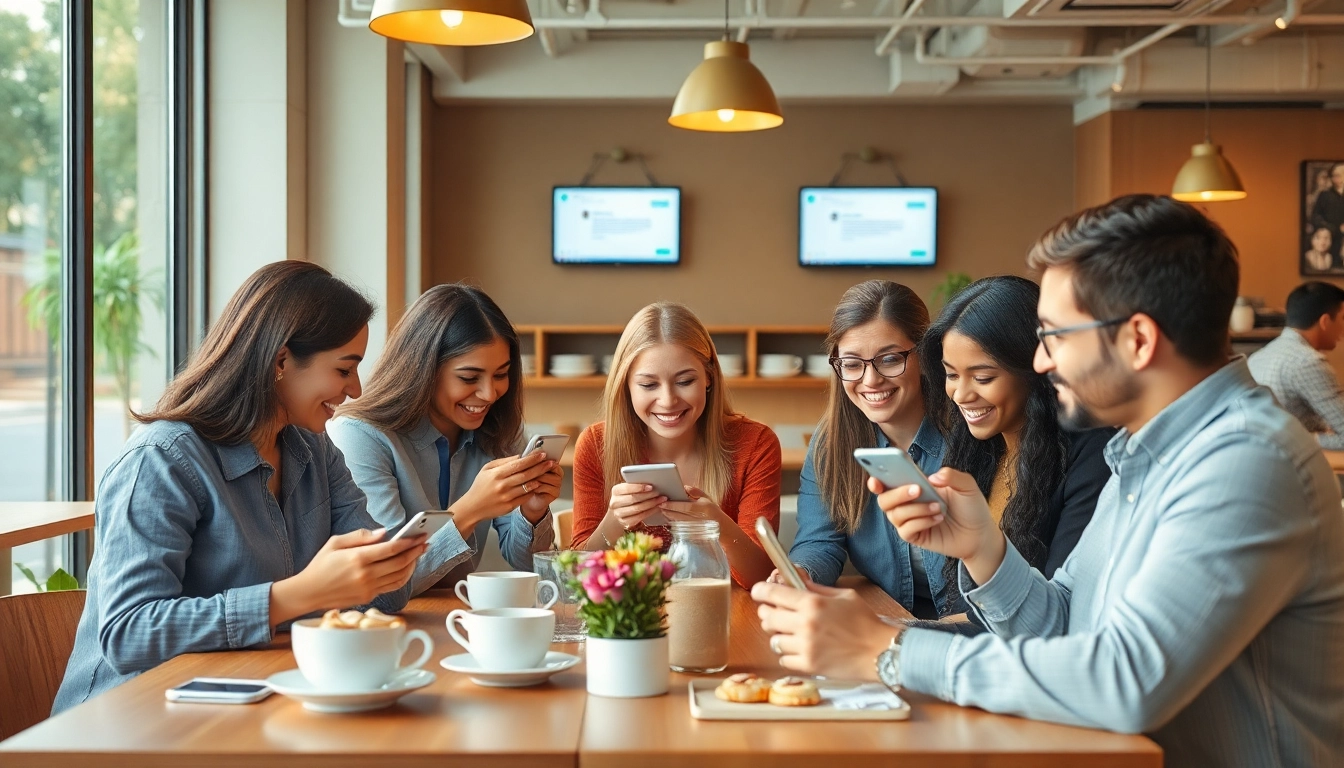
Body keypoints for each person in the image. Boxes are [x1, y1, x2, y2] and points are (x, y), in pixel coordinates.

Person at [754, 194, 1344, 768]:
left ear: (1137, 340)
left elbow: (1124, 680)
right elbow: (1064, 621)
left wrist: (889, 650)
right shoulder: (1145, 451)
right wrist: (985, 548)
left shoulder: (1243, 458)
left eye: (1055, 336)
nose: (1039, 363)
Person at [53, 262, 468, 713]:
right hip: (124, 722)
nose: (356, 389)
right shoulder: (161, 460)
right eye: (344, 369)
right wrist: (299, 594)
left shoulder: (313, 449)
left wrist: (388, 562)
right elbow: (129, 633)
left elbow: (385, 598)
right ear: (281, 360)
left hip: (241, 701)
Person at [329, 284, 560, 595]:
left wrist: (532, 512)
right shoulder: (359, 436)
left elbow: (530, 569)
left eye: (501, 374)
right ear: (422, 369)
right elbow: (384, 583)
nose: (489, 394)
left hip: (457, 614)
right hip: (383, 628)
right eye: (469, 378)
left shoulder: (501, 432)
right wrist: (471, 510)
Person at [921, 275, 1112, 612]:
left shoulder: (1091, 454)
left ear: (1035, 369)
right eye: (951, 375)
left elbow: (1059, 609)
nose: (962, 395)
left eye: (983, 378)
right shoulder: (976, 446)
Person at [571, 302, 780, 588]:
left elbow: (763, 578)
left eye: (684, 381)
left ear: (708, 377)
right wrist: (614, 522)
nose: (668, 400)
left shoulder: (755, 444)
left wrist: (716, 525)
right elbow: (575, 579)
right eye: (648, 385)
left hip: (723, 618)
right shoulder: (596, 445)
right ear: (626, 386)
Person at [786, 280, 955, 619]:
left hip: (971, 624)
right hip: (892, 616)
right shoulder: (831, 441)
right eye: (851, 363)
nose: (870, 380)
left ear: (924, 354)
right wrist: (800, 574)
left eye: (889, 359)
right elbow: (819, 544)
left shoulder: (967, 432)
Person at [1248, 280, 1344, 449]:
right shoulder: (1308, 362)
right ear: (1325, 321)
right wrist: (1300, 438)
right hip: (1291, 462)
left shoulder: (1257, 357)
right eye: (1343, 318)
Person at [1311, 162, 1344, 259]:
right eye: (1333, 175)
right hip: (1330, 238)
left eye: (1338, 175)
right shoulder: (1325, 195)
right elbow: (1315, 217)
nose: (1335, 178)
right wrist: (1332, 227)